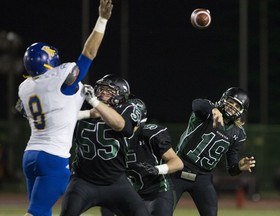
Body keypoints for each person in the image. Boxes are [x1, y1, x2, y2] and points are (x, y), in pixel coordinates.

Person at [17, 1, 113, 215]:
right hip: (53, 158)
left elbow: (56, 115)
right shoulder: (62, 80)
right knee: (37, 212)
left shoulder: (25, 87)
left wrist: (88, 113)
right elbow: (89, 52)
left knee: (43, 211)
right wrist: (102, 19)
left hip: (31, 155)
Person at [60, 75, 151, 216]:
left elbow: (122, 126)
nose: (102, 93)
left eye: (109, 91)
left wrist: (94, 102)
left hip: (116, 182)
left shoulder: (128, 107)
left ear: (121, 95)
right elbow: (58, 112)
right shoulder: (83, 105)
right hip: (83, 181)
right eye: (101, 89)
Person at [171, 87, 256, 216]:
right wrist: (213, 109)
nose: (232, 106)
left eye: (237, 105)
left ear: (241, 111)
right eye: (231, 101)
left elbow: (231, 169)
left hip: (202, 178)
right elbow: (196, 104)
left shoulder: (238, 134)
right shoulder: (207, 112)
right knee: (161, 211)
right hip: (178, 168)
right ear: (223, 99)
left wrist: (238, 166)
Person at [100, 97, 184, 216]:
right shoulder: (111, 136)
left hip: (156, 192)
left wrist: (158, 169)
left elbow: (177, 163)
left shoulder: (149, 134)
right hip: (127, 194)